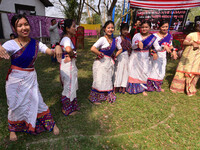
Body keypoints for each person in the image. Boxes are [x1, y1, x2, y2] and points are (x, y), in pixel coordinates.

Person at [0, 14, 59, 141]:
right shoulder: (10, 44)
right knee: (14, 104)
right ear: (15, 29)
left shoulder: (36, 44)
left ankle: (50, 123)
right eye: (19, 25)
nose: (23, 28)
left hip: (30, 78)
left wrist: (57, 47)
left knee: (39, 101)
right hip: (14, 80)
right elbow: (1, 51)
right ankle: (13, 129)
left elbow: (50, 52)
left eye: (26, 24)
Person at [88, 20, 122, 105]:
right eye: (108, 28)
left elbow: (120, 49)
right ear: (104, 29)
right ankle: (95, 98)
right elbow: (93, 48)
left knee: (107, 79)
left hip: (109, 63)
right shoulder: (102, 39)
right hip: (100, 63)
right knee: (99, 79)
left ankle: (106, 96)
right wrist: (100, 54)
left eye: (112, 28)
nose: (110, 29)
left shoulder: (115, 40)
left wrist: (115, 55)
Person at [127, 20, 160, 96]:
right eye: (142, 27)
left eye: (146, 27)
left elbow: (157, 47)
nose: (144, 29)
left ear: (150, 28)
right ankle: (132, 88)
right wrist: (137, 43)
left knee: (144, 72)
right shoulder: (137, 35)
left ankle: (142, 89)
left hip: (145, 56)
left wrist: (163, 47)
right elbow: (132, 46)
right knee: (133, 72)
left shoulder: (152, 37)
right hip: (135, 55)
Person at [56, 19, 79, 116]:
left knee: (71, 85)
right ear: (67, 29)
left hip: (68, 66)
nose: (75, 28)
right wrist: (72, 54)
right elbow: (68, 49)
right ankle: (66, 109)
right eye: (73, 26)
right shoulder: (67, 39)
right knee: (69, 86)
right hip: (68, 67)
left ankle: (72, 106)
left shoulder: (66, 39)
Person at [147, 20, 178, 92]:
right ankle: (150, 86)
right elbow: (150, 47)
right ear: (159, 27)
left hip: (163, 55)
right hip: (155, 54)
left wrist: (173, 51)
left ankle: (158, 86)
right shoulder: (154, 36)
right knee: (154, 70)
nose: (165, 28)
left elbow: (170, 45)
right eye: (163, 27)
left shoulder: (169, 36)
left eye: (166, 27)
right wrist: (154, 52)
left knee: (162, 70)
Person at [170, 23, 200, 96]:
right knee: (185, 70)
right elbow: (184, 42)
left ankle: (190, 88)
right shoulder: (192, 35)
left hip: (198, 58)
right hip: (188, 57)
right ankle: (178, 88)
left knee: (194, 72)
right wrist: (192, 43)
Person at [113, 22, 131, 94]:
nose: (125, 31)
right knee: (118, 72)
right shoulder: (118, 39)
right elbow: (117, 49)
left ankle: (122, 88)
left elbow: (130, 49)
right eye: (124, 29)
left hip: (127, 57)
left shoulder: (129, 40)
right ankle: (115, 88)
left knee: (125, 72)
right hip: (120, 57)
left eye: (126, 30)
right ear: (120, 30)